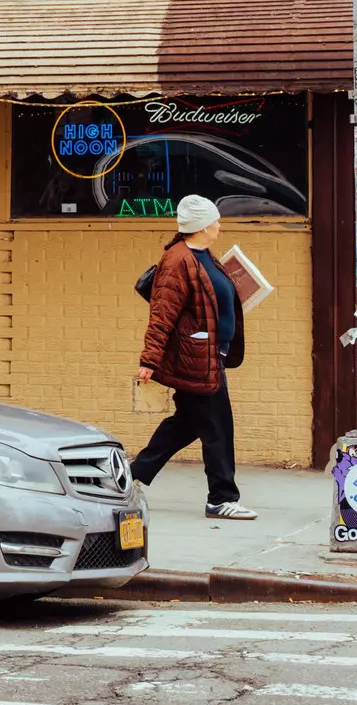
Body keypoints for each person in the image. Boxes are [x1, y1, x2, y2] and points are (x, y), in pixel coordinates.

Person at [131, 194, 256, 519]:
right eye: (214, 221)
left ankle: (130, 477)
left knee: (186, 424)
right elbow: (162, 312)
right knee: (217, 426)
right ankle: (221, 498)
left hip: (207, 354)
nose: (219, 225)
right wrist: (149, 359)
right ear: (201, 226)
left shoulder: (203, 256)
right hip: (195, 357)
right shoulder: (178, 260)